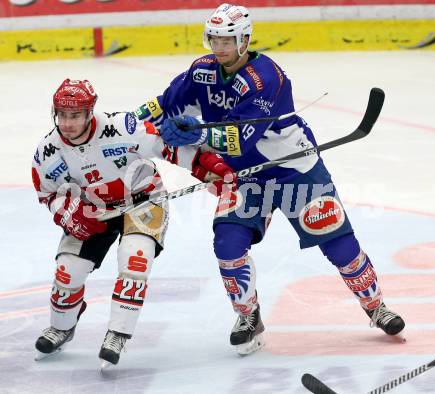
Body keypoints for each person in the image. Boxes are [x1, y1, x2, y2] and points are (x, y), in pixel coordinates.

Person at [134, 3, 405, 355]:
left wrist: (195, 134)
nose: (219, 48)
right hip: (246, 176)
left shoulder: (266, 77)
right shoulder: (202, 70)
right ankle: (249, 316)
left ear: (245, 39)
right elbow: (164, 103)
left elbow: (237, 139)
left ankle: (376, 307)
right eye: (214, 40)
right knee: (227, 244)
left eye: (227, 41)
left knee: (337, 243)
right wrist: (125, 124)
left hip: (294, 169)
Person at [31, 78, 232, 367]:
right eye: (62, 115)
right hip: (94, 208)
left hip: (143, 199)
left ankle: (118, 333)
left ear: (90, 113)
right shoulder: (48, 151)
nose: (67, 123)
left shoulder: (122, 127)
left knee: (135, 261)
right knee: (67, 271)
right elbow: (48, 192)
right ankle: (62, 327)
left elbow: (169, 147)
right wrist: (68, 214)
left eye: (75, 115)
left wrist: (208, 169)